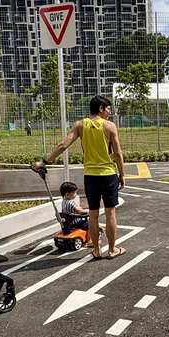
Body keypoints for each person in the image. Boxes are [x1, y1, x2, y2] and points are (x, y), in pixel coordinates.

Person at [33, 95, 125, 259]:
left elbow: (63, 145)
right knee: (110, 213)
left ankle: (96, 250)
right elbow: (118, 154)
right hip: (108, 174)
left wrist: (44, 162)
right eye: (108, 109)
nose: (110, 113)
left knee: (93, 214)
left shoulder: (80, 125)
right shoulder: (110, 126)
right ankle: (112, 250)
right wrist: (122, 174)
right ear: (101, 109)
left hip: (90, 176)